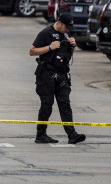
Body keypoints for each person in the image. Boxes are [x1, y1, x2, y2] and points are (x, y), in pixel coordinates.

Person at [29, 13, 86, 144]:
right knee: (47, 104)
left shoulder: (66, 34)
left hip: (62, 75)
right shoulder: (45, 33)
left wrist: (73, 46)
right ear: (59, 23)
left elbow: (67, 56)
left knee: (65, 103)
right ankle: (41, 134)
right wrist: (49, 47)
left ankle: (72, 134)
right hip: (46, 74)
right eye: (66, 27)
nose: (68, 30)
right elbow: (32, 51)